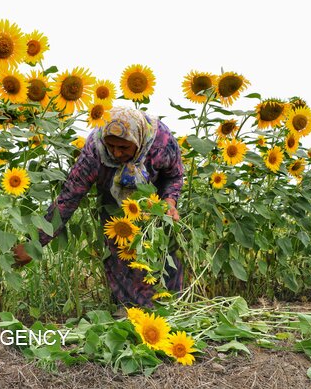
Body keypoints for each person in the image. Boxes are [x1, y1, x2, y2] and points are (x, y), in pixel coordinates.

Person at [12, 106, 184, 307]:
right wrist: (34, 244)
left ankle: (171, 308)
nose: (116, 153)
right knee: (120, 252)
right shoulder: (95, 151)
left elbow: (174, 175)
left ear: (138, 140)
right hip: (113, 200)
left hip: (153, 202)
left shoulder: (161, 142)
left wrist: (169, 201)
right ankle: (127, 310)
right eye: (111, 146)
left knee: (164, 250)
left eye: (124, 147)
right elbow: (68, 198)